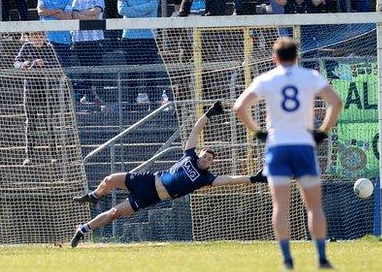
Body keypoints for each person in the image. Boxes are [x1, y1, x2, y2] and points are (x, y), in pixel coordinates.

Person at [70, 101, 268, 247]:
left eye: (210, 160)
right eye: (205, 156)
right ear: (199, 154)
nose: (207, 160)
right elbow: (195, 131)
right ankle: (94, 196)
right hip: (147, 180)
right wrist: (209, 113)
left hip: (151, 196)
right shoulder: (189, 156)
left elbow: (230, 180)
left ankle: (83, 229)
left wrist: (254, 178)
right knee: (109, 180)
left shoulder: (206, 178)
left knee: (115, 213)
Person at [233, 37, 342, 270]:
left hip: (277, 145)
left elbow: (239, 107)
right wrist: (322, 132)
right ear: (297, 56)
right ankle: (322, 259)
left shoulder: (266, 78)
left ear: (275, 58)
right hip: (303, 144)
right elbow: (336, 102)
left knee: (280, 206)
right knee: (314, 206)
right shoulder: (310, 76)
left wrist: (258, 133)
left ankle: (287, 260)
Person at [117, 0, 161, 104]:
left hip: (149, 37)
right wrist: (143, 11)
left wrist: (133, 11)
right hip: (129, 37)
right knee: (132, 72)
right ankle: (131, 102)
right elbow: (122, 10)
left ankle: (154, 103)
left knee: (150, 72)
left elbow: (153, 5)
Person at [14, 31, 61, 164]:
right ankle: (29, 155)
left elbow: (57, 64)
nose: (38, 39)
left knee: (49, 123)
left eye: (41, 36)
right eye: (35, 36)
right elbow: (17, 63)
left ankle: (53, 154)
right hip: (30, 90)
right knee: (31, 123)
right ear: (30, 37)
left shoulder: (49, 47)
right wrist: (25, 64)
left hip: (46, 90)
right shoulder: (26, 47)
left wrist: (44, 63)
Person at [71, 0, 105, 104]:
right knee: (84, 68)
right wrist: (88, 15)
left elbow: (96, 12)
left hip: (95, 40)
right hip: (80, 40)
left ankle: (98, 95)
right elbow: (74, 15)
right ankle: (88, 95)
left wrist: (82, 14)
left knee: (96, 68)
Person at [37, 0, 73, 66]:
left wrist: (48, 12)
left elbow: (68, 17)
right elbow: (41, 12)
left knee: (65, 68)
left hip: (63, 40)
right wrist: (58, 10)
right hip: (46, 40)